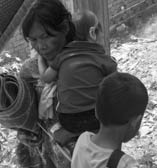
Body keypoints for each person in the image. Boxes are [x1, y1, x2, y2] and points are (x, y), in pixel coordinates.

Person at [20, 0, 78, 168]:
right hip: (56, 154)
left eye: (45, 36)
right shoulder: (31, 69)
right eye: (33, 40)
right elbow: (26, 110)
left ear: (64, 28)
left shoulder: (82, 60)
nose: (40, 45)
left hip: (89, 155)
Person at [39, 9, 117, 137]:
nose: (103, 34)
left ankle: (72, 133)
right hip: (97, 118)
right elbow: (116, 88)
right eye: (101, 29)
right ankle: (90, 133)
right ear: (92, 33)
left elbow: (46, 78)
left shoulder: (62, 56)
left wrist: (40, 59)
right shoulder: (104, 60)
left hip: (69, 121)